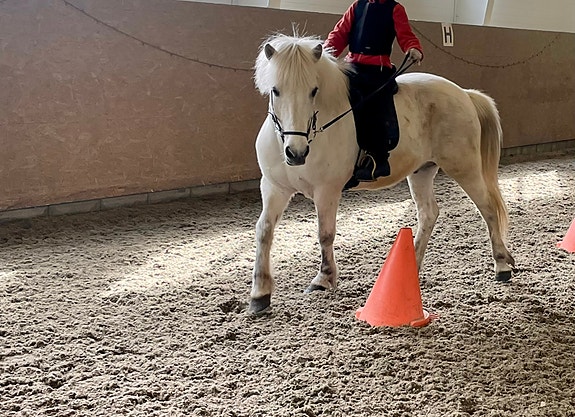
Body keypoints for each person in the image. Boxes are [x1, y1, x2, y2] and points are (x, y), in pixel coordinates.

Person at [324, 0, 424, 184]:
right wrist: (325, 54)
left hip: (378, 69)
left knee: (373, 105)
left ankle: (378, 157)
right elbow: (340, 33)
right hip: (351, 66)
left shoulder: (395, 9)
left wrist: (413, 47)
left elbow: (405, 34)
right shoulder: (357, 6)